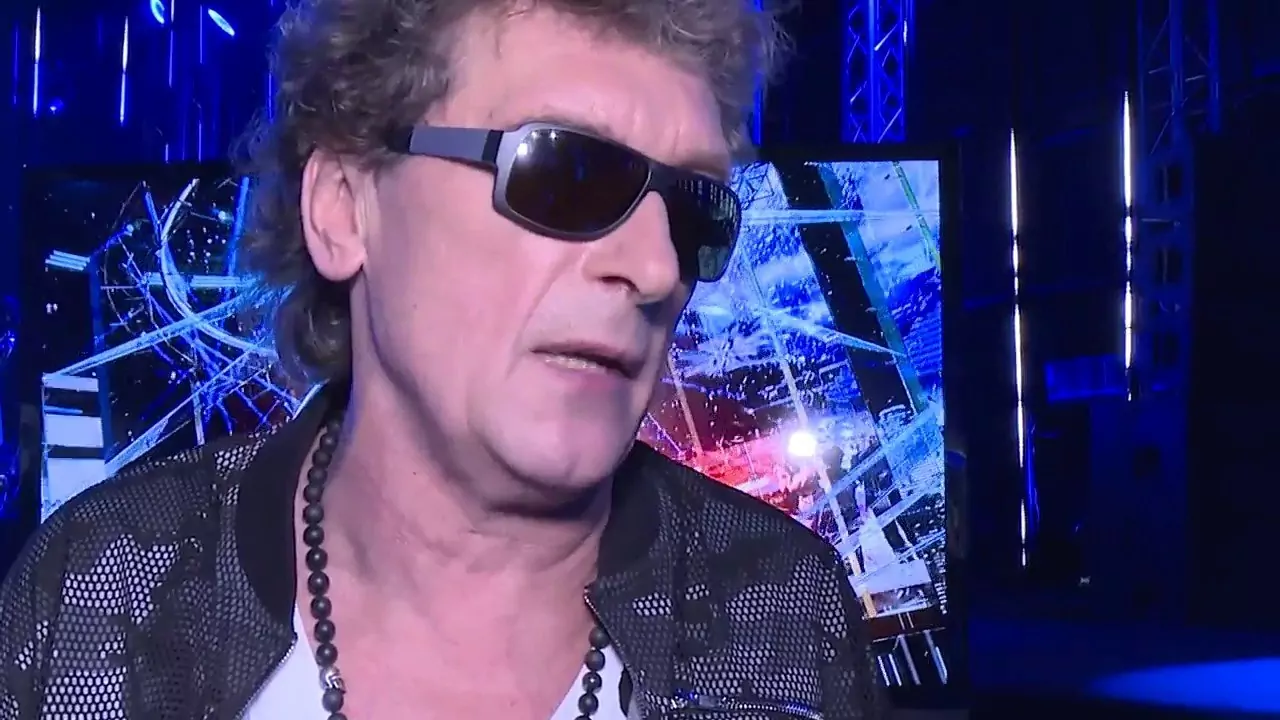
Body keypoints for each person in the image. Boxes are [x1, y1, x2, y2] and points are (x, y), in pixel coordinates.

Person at [0, 1, 887, 718]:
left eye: (694, 211)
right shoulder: (97, 588)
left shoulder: (785, 614)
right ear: (344, 207)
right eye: (563, 172)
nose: (656, 267)